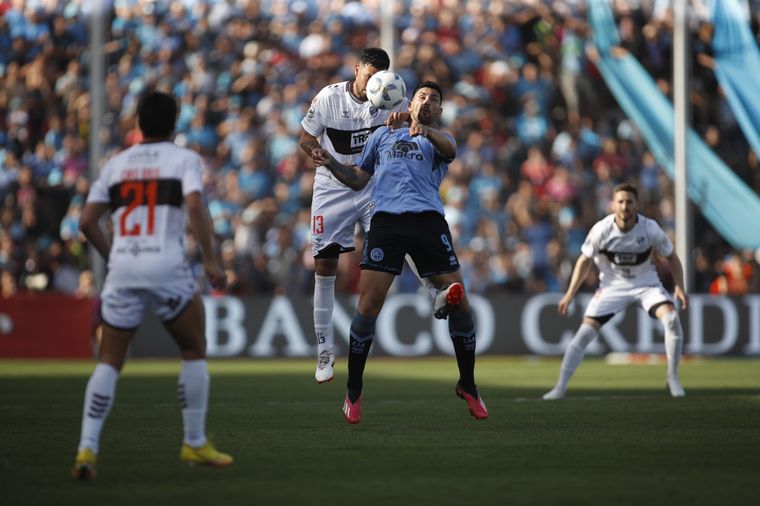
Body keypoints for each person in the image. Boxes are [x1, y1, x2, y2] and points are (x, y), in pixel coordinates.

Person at [72, 91, 233, 480]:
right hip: (166, 267)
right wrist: (210, 261)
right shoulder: (183, 160)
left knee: (110, 360)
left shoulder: (116, 164)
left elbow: (86, 221)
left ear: (137, 121)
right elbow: (194, 206)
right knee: (193, 347)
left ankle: (86, 450)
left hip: (124, 267)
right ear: (174, 121)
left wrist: (114, 256)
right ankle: (193, 442)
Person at [311, 81, 488, 423]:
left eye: (434, 99)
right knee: (367, 307)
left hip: (428, 223)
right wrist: (330, 163)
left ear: (439, 111)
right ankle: (354, 390)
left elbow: (450, 148)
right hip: (387, 224)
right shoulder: (381, 137)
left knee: (461, 302)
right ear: (411, 101)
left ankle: (467, 384)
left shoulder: (438, 139)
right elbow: (360, 179)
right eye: (422, 95)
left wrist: (421, 128)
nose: (427, 101)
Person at [299, 48, 452, 385]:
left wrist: (407, 121)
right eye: (370, 79)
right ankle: (324, 347)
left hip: (372, 184)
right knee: (325, 266)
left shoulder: (394, 95)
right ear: (357, 70)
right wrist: (316, 153)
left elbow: (419, 125)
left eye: (380, 81)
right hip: (331, 183)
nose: (375, 88)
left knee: (402, 230)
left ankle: (434, 293)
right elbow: (306, 137)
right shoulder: (328, 99)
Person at [543, 182, 688, 400]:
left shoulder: (650, 229)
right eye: (620, 202)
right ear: (613, 205)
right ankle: (560, 388)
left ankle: (673, 378)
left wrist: (679, 287)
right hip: (612, 287)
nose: (624, 206)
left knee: (671, 319)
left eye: (629, 202)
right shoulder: (602, 229)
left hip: (646, 285)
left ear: (637, 204)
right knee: (583, 335)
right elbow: (584, 261)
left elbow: (672, 258)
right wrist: (570, 293)